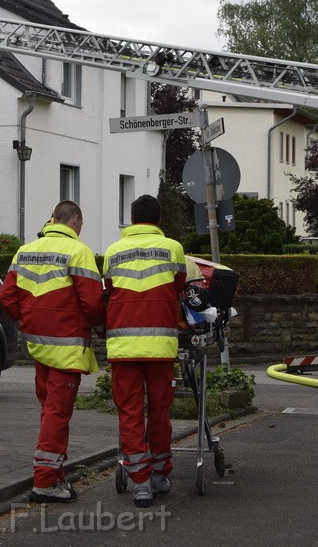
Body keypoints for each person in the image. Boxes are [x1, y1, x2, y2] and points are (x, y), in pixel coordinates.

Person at [0, 200, 105, 503]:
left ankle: (56, 477)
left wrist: (26, 319)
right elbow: (94, 303)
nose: (81, 229)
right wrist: (101, 328)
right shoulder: (79, 252)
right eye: (81, 224)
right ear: (74, 221)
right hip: (67, 347)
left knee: (49, 412)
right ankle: (45, 483)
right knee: (57, 414)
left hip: (38, 346)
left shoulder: (25, 250)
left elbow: (6, 296)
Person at [102, 194, 186, 508]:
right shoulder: (173, 248)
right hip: (161, 347)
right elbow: (178, 287)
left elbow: (110, 291)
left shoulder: (112, 251)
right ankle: (160, 475)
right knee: (160, 413)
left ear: (132, 219)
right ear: (158, 219)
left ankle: (140, 483)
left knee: (130, 414)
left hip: (124, 348)